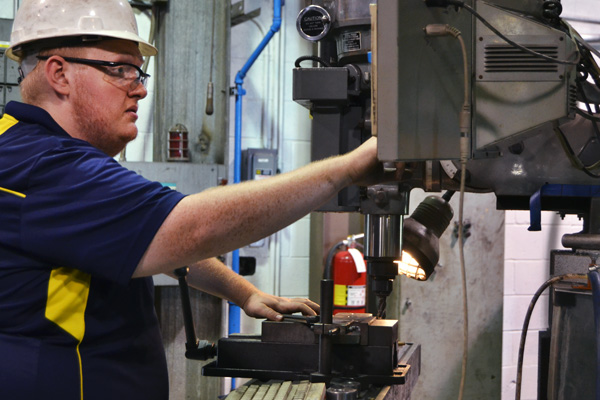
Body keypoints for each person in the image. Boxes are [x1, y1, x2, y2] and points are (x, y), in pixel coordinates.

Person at [0, 0, 399, 399]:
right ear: (59, 73)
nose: (139, 88)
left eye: (139, 72)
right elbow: (191, 228)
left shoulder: (27, 150)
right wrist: (346, 169)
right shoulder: (44, 166)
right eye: (120, 69)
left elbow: (156, 238)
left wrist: (245, 293)